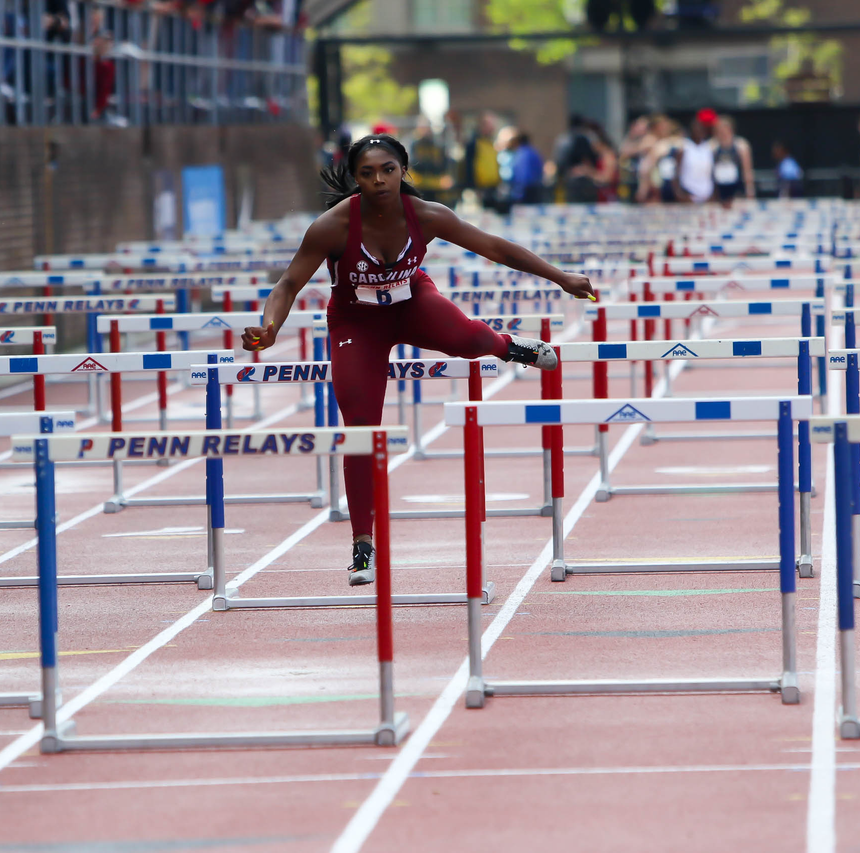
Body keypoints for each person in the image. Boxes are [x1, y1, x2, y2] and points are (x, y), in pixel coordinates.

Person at [238, 135, 595, 586]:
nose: (379, 180)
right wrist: (271, 326)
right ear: (356, 180)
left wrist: (560, 277)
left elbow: (496, 248)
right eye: (367, 174)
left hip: (413, 303)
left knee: (466, 337)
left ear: (403, 170)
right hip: (357, 323)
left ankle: (507, 347)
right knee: (361, 426)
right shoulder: (332, 227)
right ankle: (362, 543)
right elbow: (288, 283)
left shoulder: (426, 216)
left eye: (387, 169)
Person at [459, 112, 505, 212]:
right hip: (479, 189)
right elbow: (468, 166)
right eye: (490, 125)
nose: (493, 128)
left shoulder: (492, 144)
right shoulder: (473, 144)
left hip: (492, 188)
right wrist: (473, 186)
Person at [710, 115, 755, 206]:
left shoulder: (741, 145)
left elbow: (747, 170)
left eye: (724, 128)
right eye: (719, 129)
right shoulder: (712, 146)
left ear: (730, 129)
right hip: (719, 188)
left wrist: (750, 190)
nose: (722, 132)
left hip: (736, 187)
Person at [504, 130, 545, 205]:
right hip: (536, 189)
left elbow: (520, 175)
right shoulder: (534, 152)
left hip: (523, 192)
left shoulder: (520, 154)